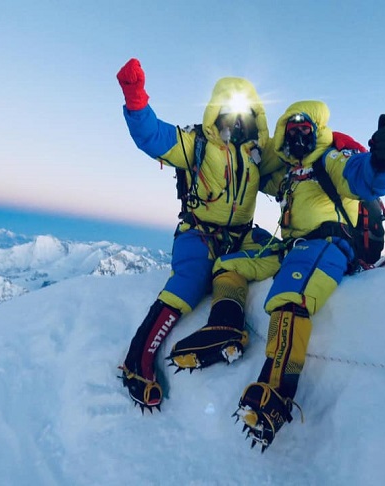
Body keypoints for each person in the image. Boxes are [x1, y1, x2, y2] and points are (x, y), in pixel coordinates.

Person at [233, 100, 385, 451]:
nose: (298, 138)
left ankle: (276, 393)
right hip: (294, 246)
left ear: (317, 134)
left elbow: (362, 176)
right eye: (292, 132)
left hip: (328, 244)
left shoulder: (330, 160)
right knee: (235, 259)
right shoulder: (290, 174)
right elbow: (259, 178)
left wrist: (383, 161)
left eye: (304, 131)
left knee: (290, 295)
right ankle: (223, 328)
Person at [115, 58, 282, 411]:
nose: (237, 120)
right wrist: (136, 99)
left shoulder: (256, 156)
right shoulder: (198, 145)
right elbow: (154, 136)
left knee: (287, 251)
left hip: (242, 236)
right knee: (188, 282)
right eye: (230, 110)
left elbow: (287, 176)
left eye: (246, 112)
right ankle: (138, 362)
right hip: (199, 233)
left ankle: (224, 323)